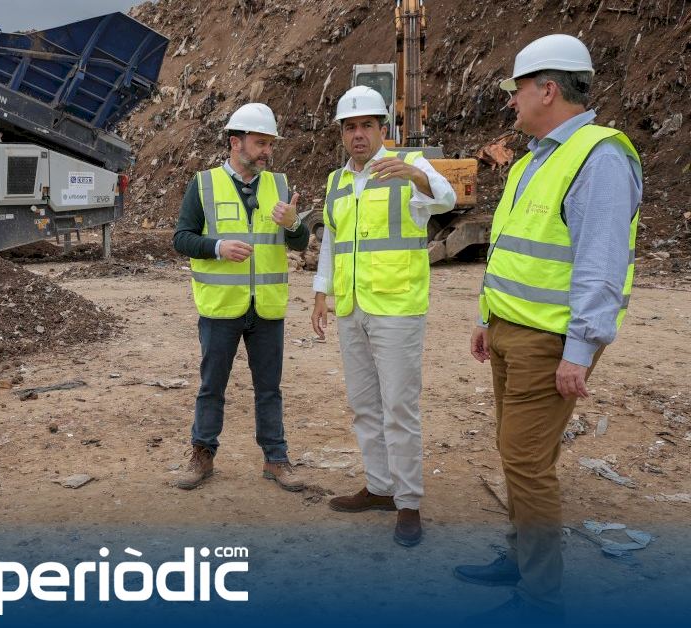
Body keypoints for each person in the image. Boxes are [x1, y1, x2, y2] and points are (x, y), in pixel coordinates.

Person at [456, 34, 642, 621]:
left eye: (516, 91)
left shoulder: (598, 158)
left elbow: (601, 264)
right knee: (516, 453)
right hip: (512, 329)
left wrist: (580, 350)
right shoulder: (533, 159)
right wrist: (488, 317)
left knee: (526, 462)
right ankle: (520, 558)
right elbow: (513, 251)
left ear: (547, 89)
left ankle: (539, 600)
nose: (510, 102)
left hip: (551, 338)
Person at [310, 85, 456, 547]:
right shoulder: (337, 181)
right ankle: (379, 487)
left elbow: (447, 199)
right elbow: (333, 242)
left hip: (397, 308)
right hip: (352, 308)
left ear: (382, 129)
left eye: (367, 125)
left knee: (399, 408)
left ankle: (408, 501)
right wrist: (321, 292)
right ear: (342, 133)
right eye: (350, 127)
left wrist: (417, 176)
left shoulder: (409, 166)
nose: (358, 134)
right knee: (364, 406)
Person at [171, 102, 309, 491]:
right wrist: (217, 248)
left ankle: (276, 459)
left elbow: (300, 241)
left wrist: (293, 224)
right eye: (261, 143)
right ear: (236, 142)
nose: (267, 151)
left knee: (269, 389)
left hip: (266, 307)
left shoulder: (279, 185)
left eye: (270, 144)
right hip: (221, 308)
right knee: (212, 387)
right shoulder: (203, 184)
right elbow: (181, 238)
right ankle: (202, 455)